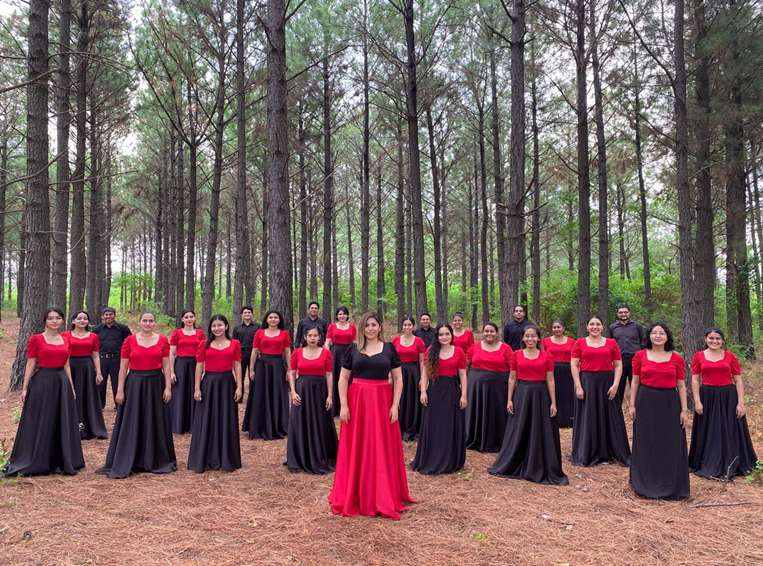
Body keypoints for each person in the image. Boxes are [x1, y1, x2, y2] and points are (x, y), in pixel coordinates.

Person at [329, 312, 413, 520]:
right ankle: (356, 492)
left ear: (380, 327)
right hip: (357, 402)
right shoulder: (353, 349)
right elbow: (343, 379)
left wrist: (395, 405)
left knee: (381, 445)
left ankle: (382, 494)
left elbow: (398, 379)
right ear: (362, 329)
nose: (371, 329)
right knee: (357, 445)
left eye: (374, 325)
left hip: (382, 401)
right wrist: (344, 406)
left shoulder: (390, 349)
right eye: (367, 325)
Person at [5, 308, 84, 476]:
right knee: (42, 420)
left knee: (61, 419)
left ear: (63, 320)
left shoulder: (65, 340)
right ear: (45, 321)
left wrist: (71, 387)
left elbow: (67, 364)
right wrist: (25, 388)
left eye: (58, 318)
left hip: (61, 382)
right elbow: (31, 363)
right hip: (42, 382)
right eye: (50, 318)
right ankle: (39, 458)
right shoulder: (36, 339)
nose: (54, 321)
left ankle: (61, 458)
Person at [98, 311, 176, 479]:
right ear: (140, 322)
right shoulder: (129, 340)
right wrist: (120, 390)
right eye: (145, 320)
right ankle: (131, 456)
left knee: (155, 420)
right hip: (134, 384)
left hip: (156, 383)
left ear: (155, 323)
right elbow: (123, 367)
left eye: (151, 321)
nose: (148, 323)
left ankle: (154, 458)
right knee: (133, 420)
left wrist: (168, 388)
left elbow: (167, 366)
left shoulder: (162, 340)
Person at [489, 325, 568, 485]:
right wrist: (509, 399)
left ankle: (538, 463)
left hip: (541, 395)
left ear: (538, 338)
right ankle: (517, 460)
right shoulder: (516, 355)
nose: (530, 339)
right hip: (522, 395)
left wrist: (553, 402)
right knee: (519, 428)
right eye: (527, 336)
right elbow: (512, 378)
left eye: (533, 336)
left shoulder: (547, 356)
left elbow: (550, 380)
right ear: (523, 338)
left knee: (541, 429)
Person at [628, 323, 689, 500]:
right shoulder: (640, 355)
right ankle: (644, 480)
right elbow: (635, 382)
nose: (658, 335)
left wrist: (684, 410)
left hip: (670, 403)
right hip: (646, 401)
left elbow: (681, 385)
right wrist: (632, 405)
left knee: (670, 441)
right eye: (654, 333)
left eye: (661, 333)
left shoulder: (676, 357)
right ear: (649, 336)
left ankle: (670, 481)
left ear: (667, 337)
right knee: (646, 439)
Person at [689, 328, 757, 479]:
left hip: (728, 397)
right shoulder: (698, 356)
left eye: (718, 338)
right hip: (707, 396)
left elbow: (738, 380)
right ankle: (706, 462)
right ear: (705, 339)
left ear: (722, 340)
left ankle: (733, 462)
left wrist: (740, 403)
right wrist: (697, 401)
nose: (714, 341)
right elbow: (694, 379)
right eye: (711, 338)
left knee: (729, 429)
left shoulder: (730, 356)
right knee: (709, 430)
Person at [570, 315, 630, 467]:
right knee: (588, 416)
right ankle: (587, 452)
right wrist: (578, 385)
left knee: (608, 416)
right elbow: (574, 365)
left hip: (607, 383)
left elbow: (618, 365)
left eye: (598, 324)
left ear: (603, 327)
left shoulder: (611, 343)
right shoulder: (580, 343)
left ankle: (608, 452)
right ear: (587, 327)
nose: (594, 327)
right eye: (592, 324)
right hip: (587, 383)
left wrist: (616, 384)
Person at [188, 314, 242, 473]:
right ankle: (205, 456)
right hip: (209, 384)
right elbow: (199, 366)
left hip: (227, 384)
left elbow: (237, 366)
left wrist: (239, 387)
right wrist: (197, 388)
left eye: (220, 325)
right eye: (214, 326)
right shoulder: (204, 344)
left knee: (226, 418)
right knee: (206, 419)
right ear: (210, 328)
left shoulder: (235, 344)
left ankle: (227, 457)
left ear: (226, 326)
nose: (217, 328)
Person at [412, 324, 468, 474]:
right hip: (434, 390)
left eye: (447, 334)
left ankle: (449, 459)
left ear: (451, 335)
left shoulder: (459, 352)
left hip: (451, 391)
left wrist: (464, 395)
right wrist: (423, 391)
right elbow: (424, 374)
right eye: (441, 334)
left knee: (449, 424)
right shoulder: (431, 351)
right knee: (434, 424)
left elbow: (462, 375)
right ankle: (432, 457)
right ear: (437, 337)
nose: (444, 337)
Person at [287, 327, 338, 474]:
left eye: (315, 335)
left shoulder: (326, 353)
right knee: (299, 422)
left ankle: (319, 454)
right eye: (310, 335)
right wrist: (293, 392)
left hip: (319, 392)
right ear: (305, 337)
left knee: (320, 422)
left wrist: (329, 395)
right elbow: (292, 372)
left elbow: (329, 375)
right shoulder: (297, 352)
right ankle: (300, 456)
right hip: (301, 391)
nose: (312, 338)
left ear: (320, 337)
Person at [243, 310, 291, 439]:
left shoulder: (284, 334)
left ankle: (278, 425)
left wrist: (289, 370)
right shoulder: (259, 333)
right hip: (262, 366)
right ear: (266, 319)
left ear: (279, 320)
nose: (273, 319)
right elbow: (254, 351)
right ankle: (259, 425)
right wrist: (251, 369)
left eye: (276, 317)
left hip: (277, 366)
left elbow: (287, 352)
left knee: (277, 394)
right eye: (271, 317)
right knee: (260, 394)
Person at [465, 322, 513, 452]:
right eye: (486, 331)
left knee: (496, 413)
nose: (489, 334)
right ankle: (476, 438)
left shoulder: (506, 349)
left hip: (498, 389)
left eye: (492, 331)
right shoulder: (474, 348)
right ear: (482, 332)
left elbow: (513, 370)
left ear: (497, 333)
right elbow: (465, 367)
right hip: (476, 388)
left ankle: (497, 440)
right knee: (477, 411)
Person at [63, 310, 107, 439]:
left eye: (85, 318)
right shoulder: (65, 335)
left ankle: (90, 427)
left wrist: (98, 372)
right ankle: (72, 427)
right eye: (79, 318)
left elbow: (96, 355)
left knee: (88, 396)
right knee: (72, 395)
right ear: (73, 321)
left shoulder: (93, 336)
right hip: (70, 367)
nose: (82, 320)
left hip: (87, 368)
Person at [169, 310, 206, 434]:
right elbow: (172, 353)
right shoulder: (177, 333)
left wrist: (204, 369)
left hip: (196, 364)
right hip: (181, 365)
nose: (189, 319)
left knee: (194, 392)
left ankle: (194, 424)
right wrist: (171, 372)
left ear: (195, 319)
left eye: (191, 317)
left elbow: (205, 353)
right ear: (182, 319)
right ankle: (179, 424)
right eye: (186, 317)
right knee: (180, 394)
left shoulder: (200, 333)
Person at [392, 317, 427, 441]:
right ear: (402, 326)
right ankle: (399, 427)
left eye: (409, 325)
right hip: (398, 372)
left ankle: (412, 428)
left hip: (413, 373)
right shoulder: (395, 340)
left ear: (413, 326)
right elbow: (391, 360)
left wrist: (422, 378)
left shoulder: (419, 341)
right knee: (400, 398)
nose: (407, 327)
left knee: (412, 400)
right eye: (405, 324)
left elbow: (422, 361)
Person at [93, 306, 132, 408]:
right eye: (106, 314)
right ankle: (100, 405)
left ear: (114, 315)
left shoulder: (123, 328)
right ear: (102, 316)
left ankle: (118, 404)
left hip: (117, 358)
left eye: (111, 314)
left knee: (117, 381)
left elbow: (130, 341)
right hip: (102, 359)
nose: (108, 316)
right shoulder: (97, 329)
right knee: (100, 382)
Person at [541, 319, 575, 428]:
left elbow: (575, 357)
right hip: (551, 370)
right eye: (554, 327)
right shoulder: (545, 341)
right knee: (553, 393)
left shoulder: (571, 341)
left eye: (559, 327)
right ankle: (554, 419)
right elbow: (542, 357)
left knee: (567, 393)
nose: (557, 329)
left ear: (563, 328)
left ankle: (568, 419)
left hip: (567, 370)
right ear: (552, 329)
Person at [608, 304, 645, 403]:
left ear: (629, 313)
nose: (623, 314)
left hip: (635, 361)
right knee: (618, 388)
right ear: (617, 314)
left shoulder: (637, 326)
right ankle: (617, 415)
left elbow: (644, 342)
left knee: (637, 388)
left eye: (625, 312)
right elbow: (609, 344)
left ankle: (638, 413)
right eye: (621, 312)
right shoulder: (612, 328)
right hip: (619, 362)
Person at [325, 306, 357, 417]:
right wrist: (326, 356)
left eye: (343, 314)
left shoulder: (352, 327)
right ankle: (335, 407)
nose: (341, 316)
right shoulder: (332, 327)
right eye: (339, 314)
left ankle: (348, 406)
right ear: (337, 316)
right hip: (335, 355)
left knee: (348, 379)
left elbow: (355, 342)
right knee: (335, 378)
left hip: (349, 354)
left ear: (347, 315)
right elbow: (327, 342)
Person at [232, 306, 260, 402]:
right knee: (240, 376)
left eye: (249, 312)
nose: (247, 314)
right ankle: (239, 397)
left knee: (253, 376)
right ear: (242, 315)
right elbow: (233, 342)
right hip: (241, 354)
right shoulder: (237, 328)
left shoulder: (258, 327)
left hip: (254, 354)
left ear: (252, 314)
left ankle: (253, 398)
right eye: (245, 312)